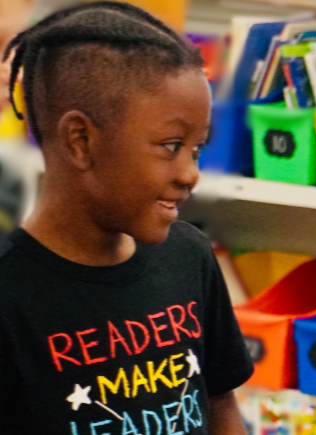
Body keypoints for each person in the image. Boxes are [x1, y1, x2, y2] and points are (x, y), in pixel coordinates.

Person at [0, 2, 253, 434]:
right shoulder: (10, 292)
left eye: (197, 148)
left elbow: (220, 402)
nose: (191, 173)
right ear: (80, 141)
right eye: (171, 145)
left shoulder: (189, 255)